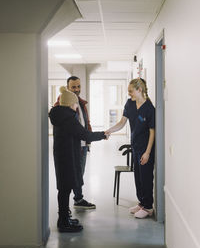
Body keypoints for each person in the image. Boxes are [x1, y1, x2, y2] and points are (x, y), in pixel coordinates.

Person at [49, 87, 107, 232]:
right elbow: (85, 135)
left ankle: (64, 218)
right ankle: (63, 222)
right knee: (65, 189)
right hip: (67, 158)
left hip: (63, 156)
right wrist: (103, 134)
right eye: (75, 104)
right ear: (70, 104)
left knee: (64, 188)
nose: (76, 107)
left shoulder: (60, 115)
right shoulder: (68, 118)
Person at [105, 78, 155, 219]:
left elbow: (152, 132)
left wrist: (147, 152)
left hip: (145, 148)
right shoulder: (130, 104)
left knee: (146, 177)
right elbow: (122, 122)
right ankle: (141, 203)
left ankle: (148, 207)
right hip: (135, 146)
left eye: (130, 91)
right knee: (138, 176)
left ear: (139, 90)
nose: (129, 94)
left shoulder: (149, 108)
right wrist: (110, 130)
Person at [54, 76, 95, 210]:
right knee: (72, 175)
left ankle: (78, 198)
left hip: (83, 144)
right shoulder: (64, 102)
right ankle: (76, 199)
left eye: (78, 86)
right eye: (73, 87)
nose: (77, 89)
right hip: (72, 145)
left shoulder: (81, 103)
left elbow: (85, 121)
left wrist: (88, 140)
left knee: (79, 173)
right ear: (67, 88)